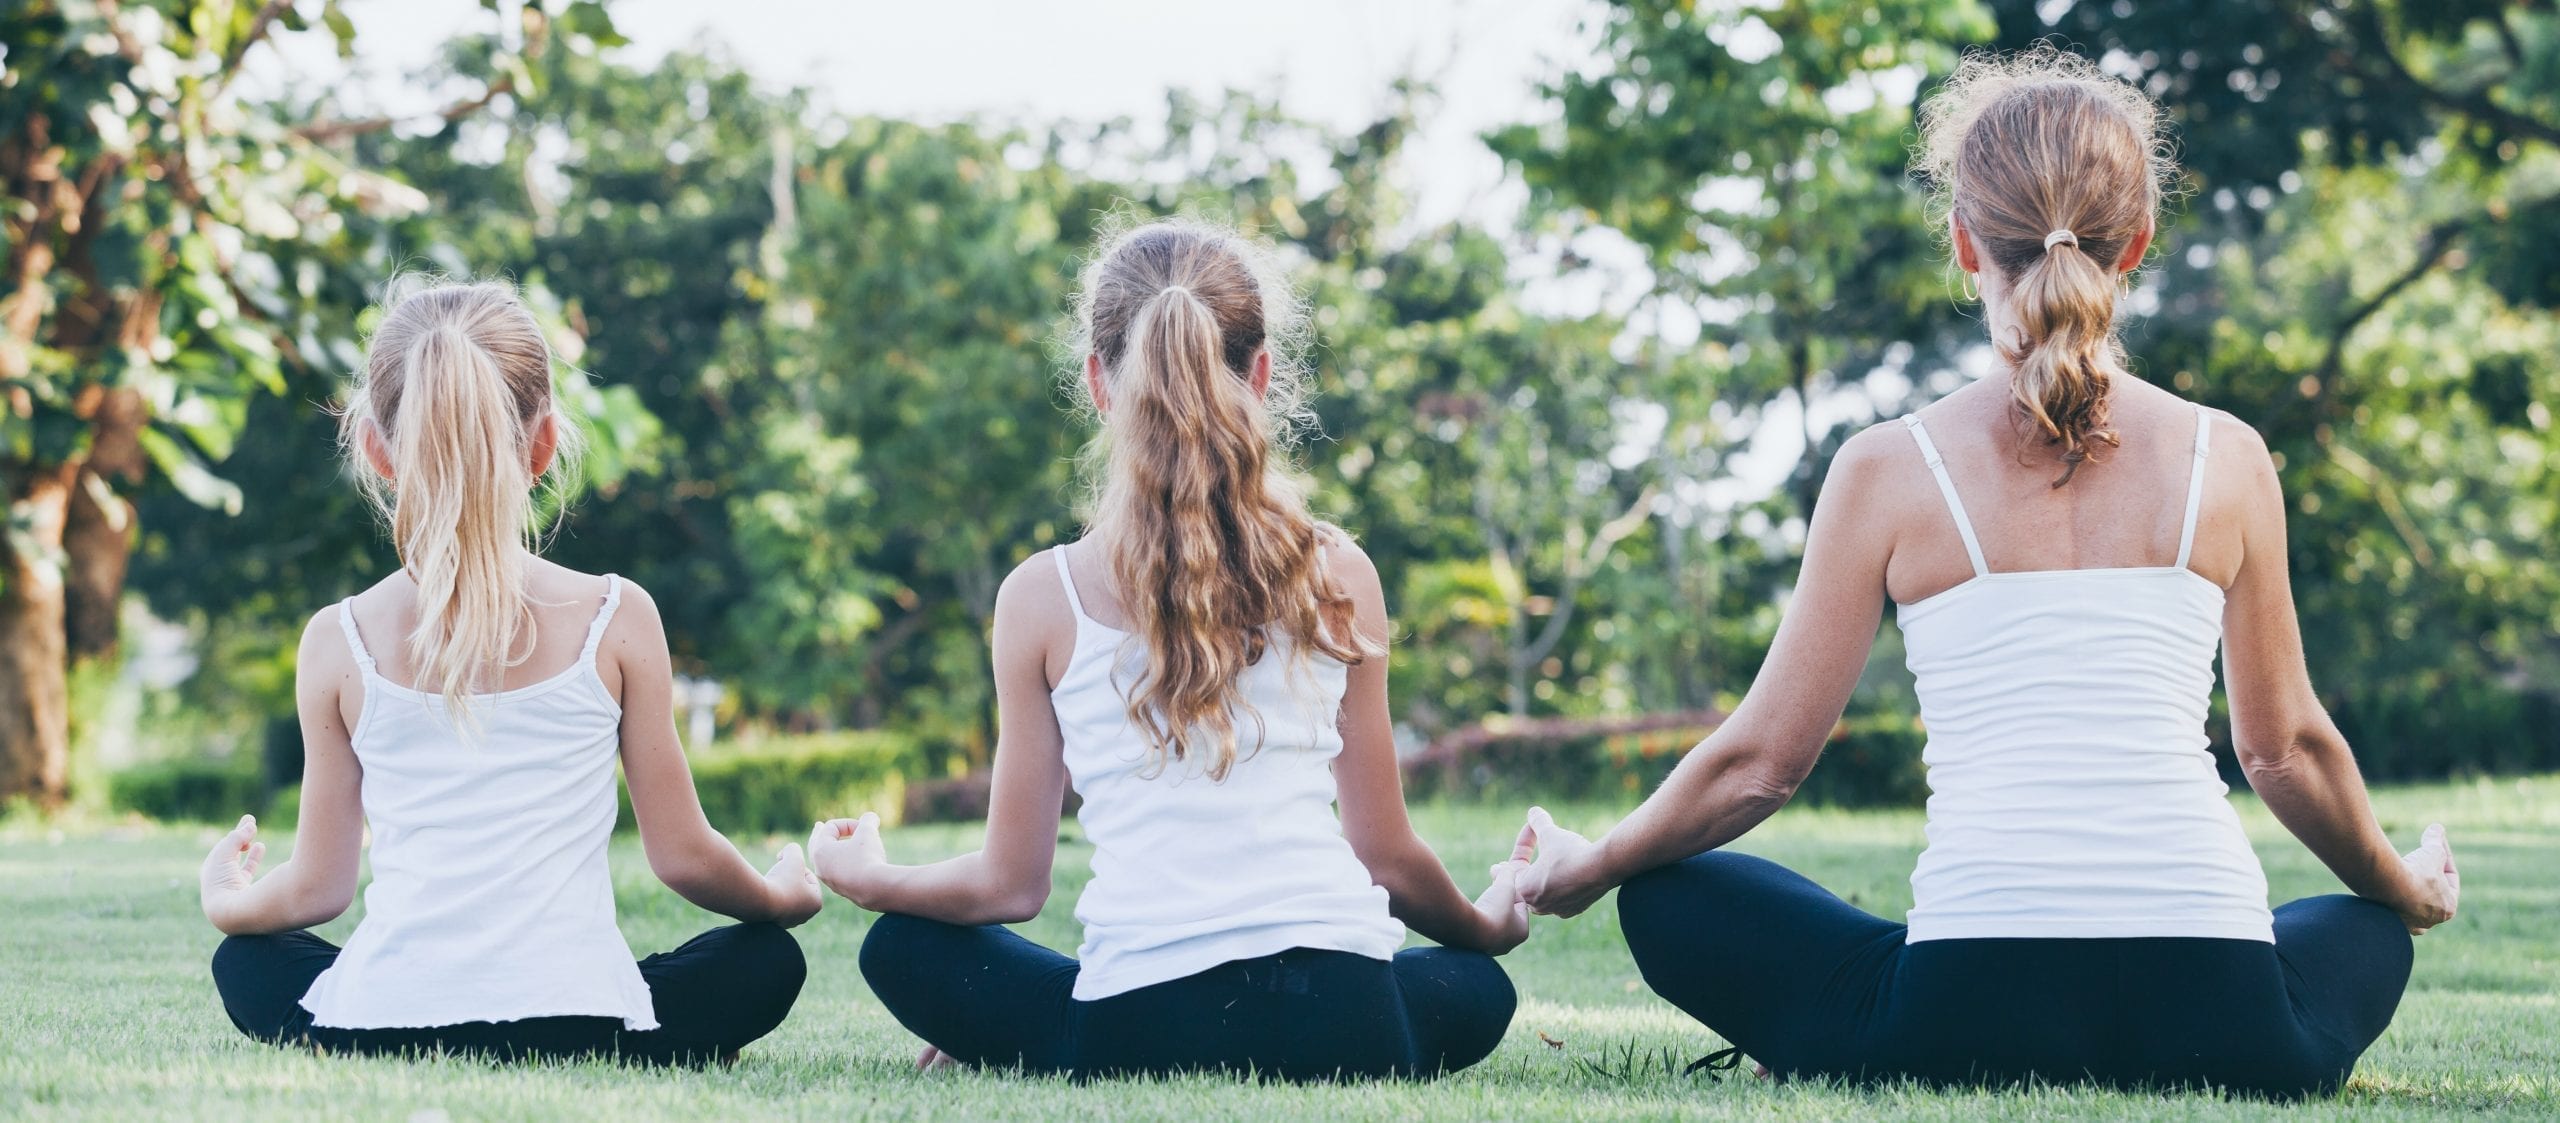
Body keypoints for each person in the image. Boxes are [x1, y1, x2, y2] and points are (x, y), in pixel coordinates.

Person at [1512, 47, 2461, 1099]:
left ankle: (1847, 1036)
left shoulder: (1886, 467)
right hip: (2227, 1020)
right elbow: (2282, 751)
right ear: (2137, 241)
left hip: (1960, 1013)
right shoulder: (2225, 455)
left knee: (1670, 893)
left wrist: (1597, 863)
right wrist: (2402, 884)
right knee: (2356, 921)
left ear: (1964, 242)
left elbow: (1757, 767)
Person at [811, 218, 1526, 1082]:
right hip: (1352, 1021)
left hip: (1139, 1028)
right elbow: (1388, 859)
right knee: (1470, 983)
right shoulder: (1341, 573)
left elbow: (1009, 886)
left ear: (1097, 382)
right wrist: (1489, 924)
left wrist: (868, 877)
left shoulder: (1042, 597)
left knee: (905, 947)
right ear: (1261, 375)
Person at [199, 278, 821, 1065]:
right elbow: (684, 856)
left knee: (247, 961)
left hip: (380, 1020)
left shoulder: (337, 639)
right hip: (580, 1021)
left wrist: (229, 900)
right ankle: (619, 1030)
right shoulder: (617, 616)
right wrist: (781, 893)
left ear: (376, 450)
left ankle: (401, 1022)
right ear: (545, 442)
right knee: (764, 960)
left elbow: (319, 888)